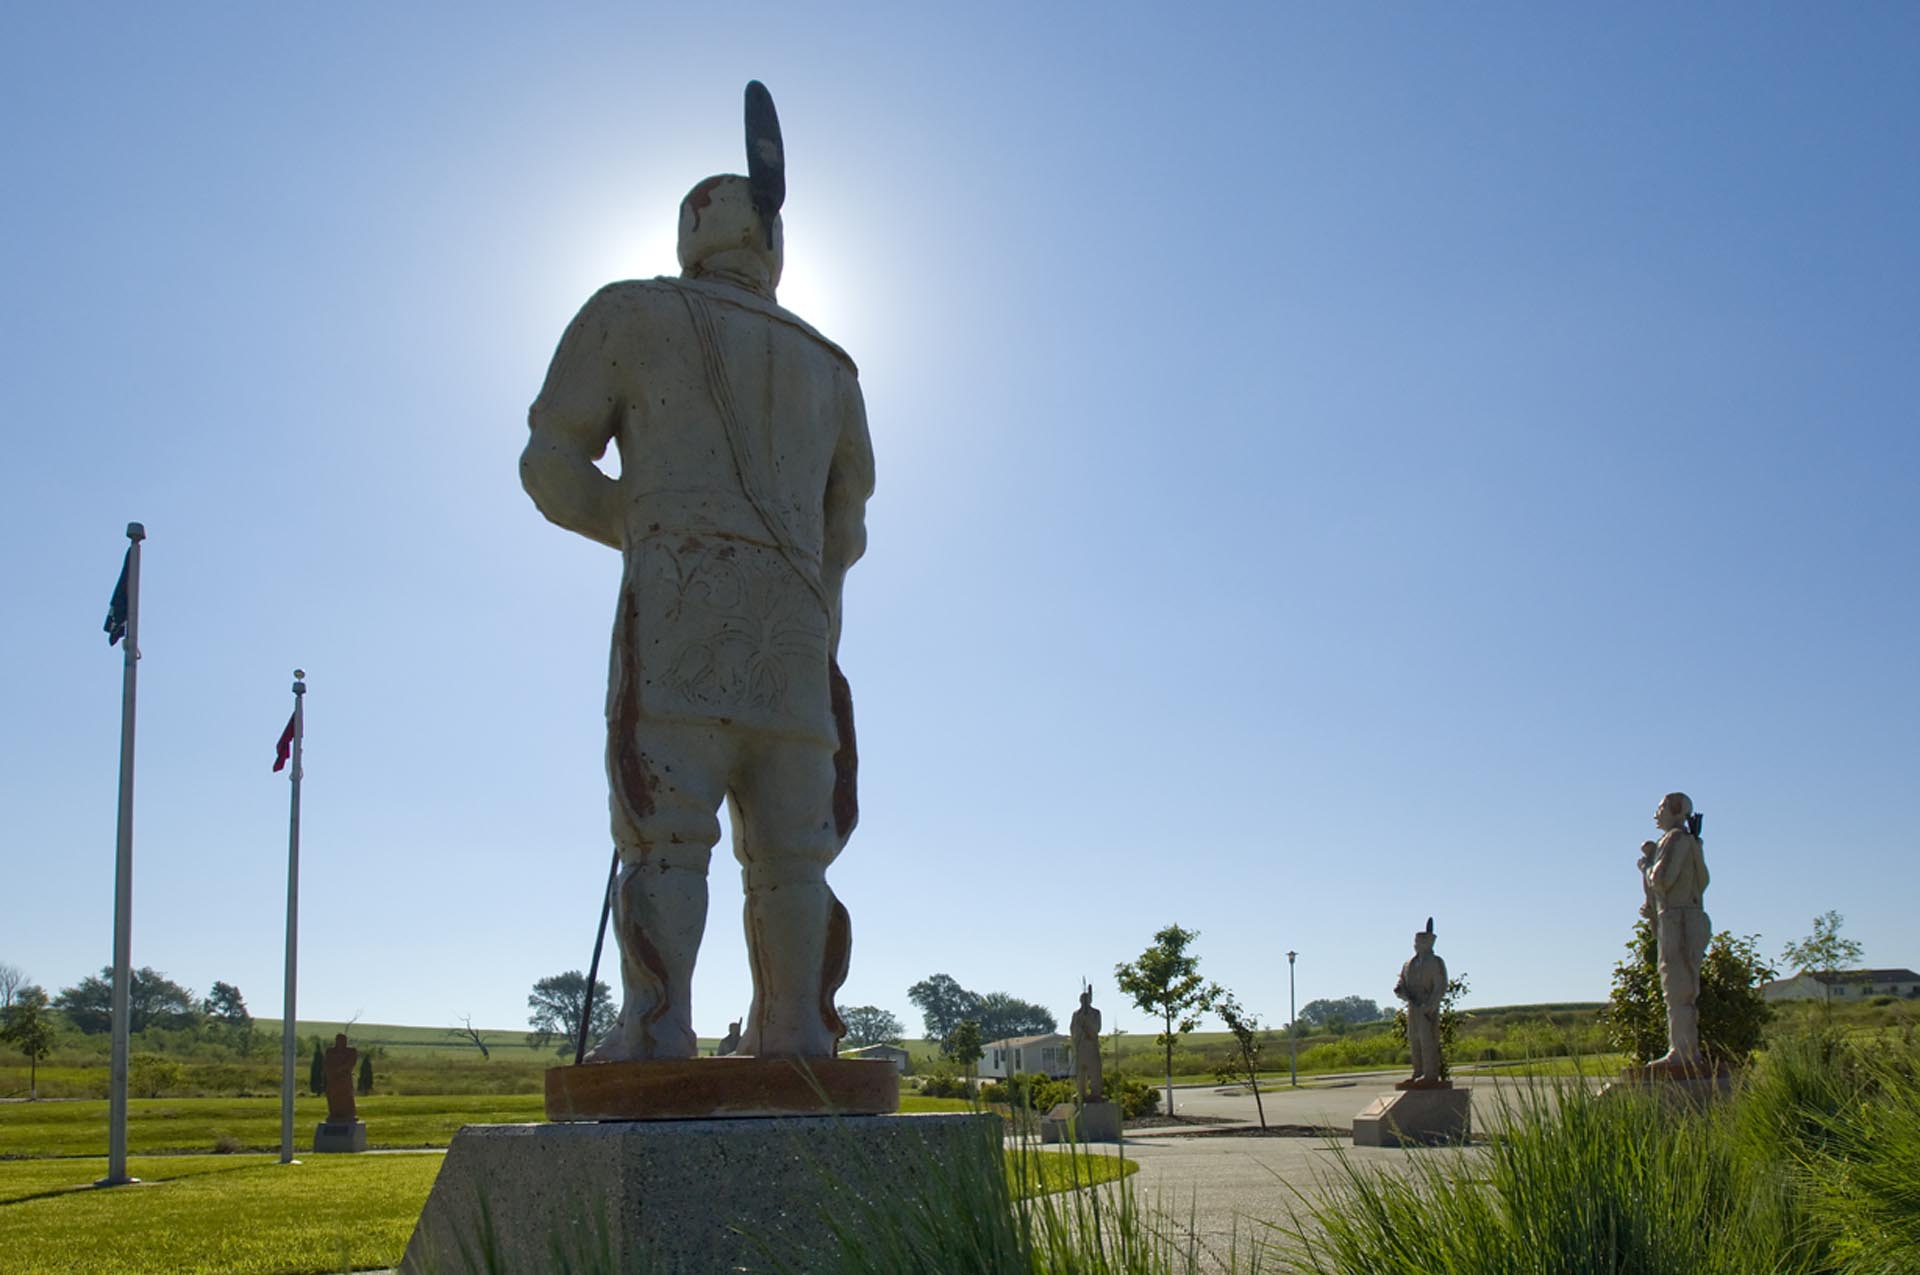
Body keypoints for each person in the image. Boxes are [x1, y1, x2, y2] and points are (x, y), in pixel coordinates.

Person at [522, 84, 874, 1061]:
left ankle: (656, 1027)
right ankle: (796, 1030)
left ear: (691, 236)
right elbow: (848, 528)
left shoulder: (628, 314)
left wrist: (647, 530)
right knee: (793, 857)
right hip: (799, 640)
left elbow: (551, 467)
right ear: (772, 244)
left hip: (677, 617)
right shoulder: (833, 369)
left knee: (666, 838)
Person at [1640, 791, 1711, 1070]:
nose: (1657, 814)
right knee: (1684, 987)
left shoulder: (1674, 840)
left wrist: (1646, 866)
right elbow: (1703, 881)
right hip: (1689, 917)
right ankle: (1686, 1050)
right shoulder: (1692, 842)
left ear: (1675, 810)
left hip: (1676, 920)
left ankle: (1681, 1052)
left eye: (1661, 808)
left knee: (1677, 986)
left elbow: (1661, 879)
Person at [1394, 920, 1446, 1088]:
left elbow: (1440, 986)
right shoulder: (1408, 964)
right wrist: (1400, 990)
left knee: (1427, 1039)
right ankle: (1417, 1071)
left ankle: (1430, 1074)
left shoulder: (1435, 962)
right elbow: (1401, 981)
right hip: (1412, 1005)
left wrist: (1431, 1005)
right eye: (1415, 942)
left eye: (1420, 942)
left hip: (1426, 1006)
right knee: (1414, 1039)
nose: (1416, 945)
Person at [1069, 988, 1103, 1103]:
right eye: (1082, 999)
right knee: (1080, 1071)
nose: (1084, 1002)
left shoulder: (1095, 1013)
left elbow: (1097, 1029)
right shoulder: (1076, 1014)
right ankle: (1081, 1092)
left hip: (1091, 1045)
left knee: (1094, 1070)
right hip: (1080, 1046)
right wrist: (1077, 1035)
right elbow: (1073, 1029)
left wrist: (1087, 1024)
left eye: (1087, 999)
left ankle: (1096, 1093)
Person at [323, 1033, 358, 1124]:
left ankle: (348, 1114)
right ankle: (335, 1114)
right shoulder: (330, 1052)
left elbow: (351, 1063)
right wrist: (332, 1071)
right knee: (333, 1096)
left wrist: (341, 1069)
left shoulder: (351, 1051)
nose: (342, 1043)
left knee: (347, 1096)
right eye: (339, 1040)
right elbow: (327, 1063)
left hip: (344, 1079)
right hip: (333, 1080)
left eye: (343, 1040)